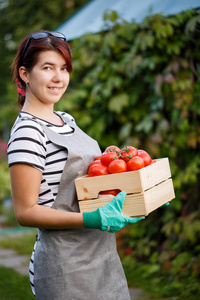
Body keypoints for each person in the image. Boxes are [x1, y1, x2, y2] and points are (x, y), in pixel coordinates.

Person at [7, 30, 144, 300]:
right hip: (64, 265)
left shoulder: (66, 120)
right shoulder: (27, 132)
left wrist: (140, 191)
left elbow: (91, 180)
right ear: (25, 74)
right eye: (47, 68)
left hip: (102, 255)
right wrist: (92, 219)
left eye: (64, 68)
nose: (59, 78)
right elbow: (25, 212)